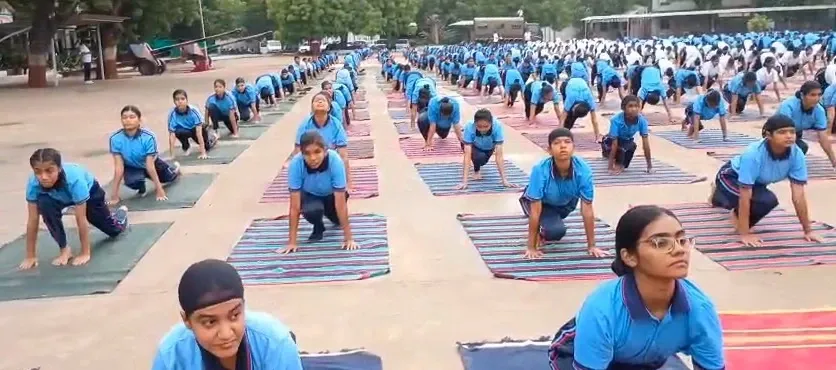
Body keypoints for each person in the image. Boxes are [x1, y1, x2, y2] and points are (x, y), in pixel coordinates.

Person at [548, 205, 724, 370]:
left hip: (643, 362)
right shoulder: (601, 309)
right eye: (661, 243)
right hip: (573, 354)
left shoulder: (700, 309)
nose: (679, 250)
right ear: (629, 257)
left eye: (682, 239)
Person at [152, 259, 303, 370]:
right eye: (210, 322)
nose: (226, 334)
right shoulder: (171, 354)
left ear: (243, 306)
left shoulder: (275, 342)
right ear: (187, 321)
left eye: (234, 315)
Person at [709, 115, 821, 247]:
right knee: (755, 200)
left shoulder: (797, 155)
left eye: (792, 132)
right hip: (731, 177)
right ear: (769, 135)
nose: (789, 136)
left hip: (757, 183)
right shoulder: (753, 154)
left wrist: (808, 231)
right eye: (782, 132)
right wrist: (744, 233)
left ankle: (721, 200)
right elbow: (745, 196)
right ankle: (721, 195)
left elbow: (799, 196)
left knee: (768, 201)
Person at [18, 148, 129, 270]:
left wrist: (85, 253)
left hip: (90, 192)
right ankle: (65, 250)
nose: (43, 177)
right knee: (45, 205)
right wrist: (30, 256)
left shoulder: (75, 180)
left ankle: (121, 215)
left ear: (59, 168)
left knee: (113, 230)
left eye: (49, 171)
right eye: (38, 172)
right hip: (57, 197)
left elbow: (81, 218)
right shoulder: (34, 183)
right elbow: (33, 219)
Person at [520, 128, 609, 259]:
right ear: (549, 149)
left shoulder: (583, 171)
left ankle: (548, 223)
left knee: (554, 224)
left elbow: (587, 209)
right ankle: (540, 231)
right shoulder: (540, 170)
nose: (562, 146)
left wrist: (592, 246)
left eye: (567, 142)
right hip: (539, 203)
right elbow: (535, 209)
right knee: (557, 231)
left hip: (566, 203)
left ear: (573, 147)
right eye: (557, 143)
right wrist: (531, 247)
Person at [280, 131, 358, 251]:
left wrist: (348, 238)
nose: (313, 158)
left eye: (317, 152)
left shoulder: (335, 161)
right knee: (312, 211)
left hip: (331, 196)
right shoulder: (296, 164)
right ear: (301, 153)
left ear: (325, 151)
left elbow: (340, 204)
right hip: (311, 196)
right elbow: (294, 206)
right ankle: (318, 225)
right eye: (307, 153)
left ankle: (331, 215)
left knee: (337, 220)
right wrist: (292, 242)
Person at [109, 105, 180, 205]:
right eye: (124, 117)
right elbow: (119, 167)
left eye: (132, 117)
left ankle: (174, 169)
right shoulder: (115, 138)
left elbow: (150, 166)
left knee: (169, 178)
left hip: (152, 164)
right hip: (132, 166)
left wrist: (159, 190)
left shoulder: (148, 137)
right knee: (131, 181)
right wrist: (114, 195)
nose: (128, 120)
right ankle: (141, 185)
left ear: (139, 120)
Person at [289, 92, 352, 190]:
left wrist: (348, 182)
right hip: (310, 161)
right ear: (312, 108)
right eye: (316, 100)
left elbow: (343, 155)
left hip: (329, 161)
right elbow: (298, 151)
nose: (319, 102)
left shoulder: (336, 125)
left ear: (329, 108)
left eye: (323, 100)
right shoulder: (305, 124)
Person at [777, 81, 836, 166]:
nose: (816, 98)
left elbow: (823, 137)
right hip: (777, 132)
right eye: (812, 95)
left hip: (795, 132)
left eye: (819, 95)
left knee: (802, 148)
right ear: (802, 95)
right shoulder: (788, 105)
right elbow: (784, 131)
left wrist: (833, 161)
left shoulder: (819, 110)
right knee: (790, 150)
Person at [455, 109, 517, 190]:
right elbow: (467, 156)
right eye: (479, 126)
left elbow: (499, 156)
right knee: (478, 157)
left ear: (491, 123)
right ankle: (476, 171)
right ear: (475, 123)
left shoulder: (497, 126)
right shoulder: (469, 126)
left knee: (483, 159)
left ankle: (479, 164)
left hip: (489, 148)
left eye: (486, 126)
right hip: (474, 146)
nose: (482, 129)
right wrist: (464, 181)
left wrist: (504, 180)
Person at [601, 96, 653, 175]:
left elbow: (646, 144)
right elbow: (614, 144)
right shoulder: (615, 120)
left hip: (626, 141)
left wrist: (650, 167)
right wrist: (610, 167)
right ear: (623, 108)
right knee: (612, 149)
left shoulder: (642, 121)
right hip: (612, 140)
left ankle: (621, 162)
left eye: (636, 106)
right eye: (630, 106)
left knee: (631, 146)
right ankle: (606, 151)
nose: (634, 109)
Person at [168, 89, 216, 160]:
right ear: (174, 102)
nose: (180, 101)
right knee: (177, 132)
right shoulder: (172, 113)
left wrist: (203, 153)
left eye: (182, 99)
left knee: (207, 147)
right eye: (177, 99)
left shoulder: (193, 111)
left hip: (196, 129)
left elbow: (199, 133)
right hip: (185, 130)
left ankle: (212, 137)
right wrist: (172, 155)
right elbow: (172, 135)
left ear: (186, 100)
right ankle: (186, 146)